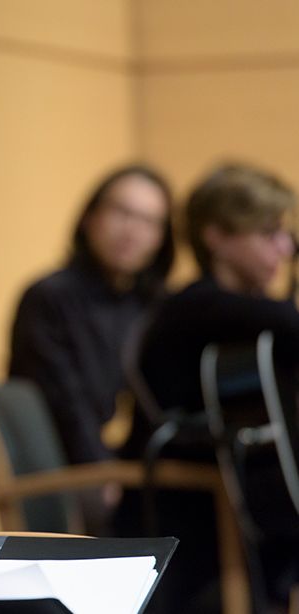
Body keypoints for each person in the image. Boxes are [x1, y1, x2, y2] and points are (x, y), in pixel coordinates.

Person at [134, 162, 299, 612]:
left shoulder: (249, 315)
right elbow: (289, 323)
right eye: (269, 233)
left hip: (237, 501)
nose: (284, 247)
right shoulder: (196, 307)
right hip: (184, 511)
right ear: (217, 238)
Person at [8, 165, 174, 469]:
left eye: (149, 222)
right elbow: (64, 405)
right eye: (121, 212)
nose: (132, 230)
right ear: (89, 217)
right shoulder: (50, 297)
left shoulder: (156, 306)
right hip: (70, 475)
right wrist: (105, 474)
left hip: (138, 470)